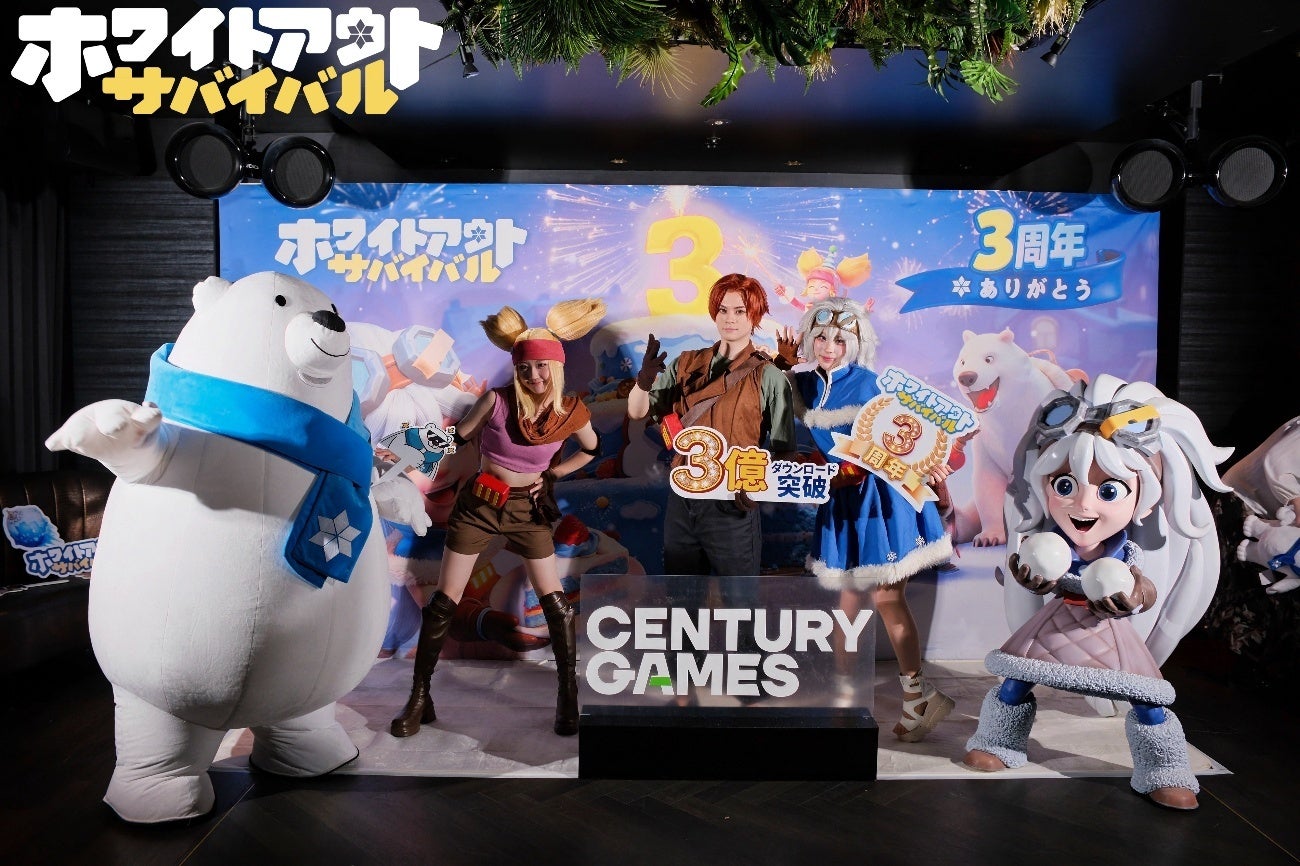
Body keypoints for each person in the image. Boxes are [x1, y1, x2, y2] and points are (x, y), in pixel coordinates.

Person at [962, 374, 1232, 810]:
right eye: (1064, 486)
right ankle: (998, 740)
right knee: (1018, 679)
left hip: (1111, 631)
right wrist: (1031, 574)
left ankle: (1162, 768)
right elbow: (1030, 570)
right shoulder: (1050, 542)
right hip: (1056, 620)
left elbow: (1143, 589)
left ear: (1143, 496)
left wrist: (1128, 595)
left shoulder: (1128, 553)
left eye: (1108, 491)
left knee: (1146, 697)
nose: (1083, 505)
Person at [389, 299, 605, 738]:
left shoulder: (570, 411)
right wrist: (404, 450)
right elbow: (456, 438)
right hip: (481, 506)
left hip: (528, 510)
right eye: (525, 368)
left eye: (541, 367)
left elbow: (592, 449)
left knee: (554, 602)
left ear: (556, 367)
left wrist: (553, 474)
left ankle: (567, 696)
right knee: (445, 600)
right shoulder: (498, 400)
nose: (534, 375)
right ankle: (419, 697)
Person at [780, 297, 956, 741]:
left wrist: (930, 464)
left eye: (840, 340)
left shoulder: (872, 384)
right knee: (847, 604)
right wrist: (781, 364)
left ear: (856, 344)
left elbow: (911, 437)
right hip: (841, 499)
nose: (829, 347)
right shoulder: (801, 384)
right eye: (821, 337)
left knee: (887, 598)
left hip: (884, 500)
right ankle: (845, 697)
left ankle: (917, 699)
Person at [626, 273, 794, 699]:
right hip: (684, 497)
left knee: (741, 599)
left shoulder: (769, 375)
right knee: (682, 595)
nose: (730, 318)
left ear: (755, 316)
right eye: (723, 310)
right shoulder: (687, 363)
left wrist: (755, 486)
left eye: (740, 311)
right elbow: (639, 413)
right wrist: (643, 381)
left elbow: (781, 446)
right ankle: (679, 681)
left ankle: (749, 685)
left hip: (734, 501)